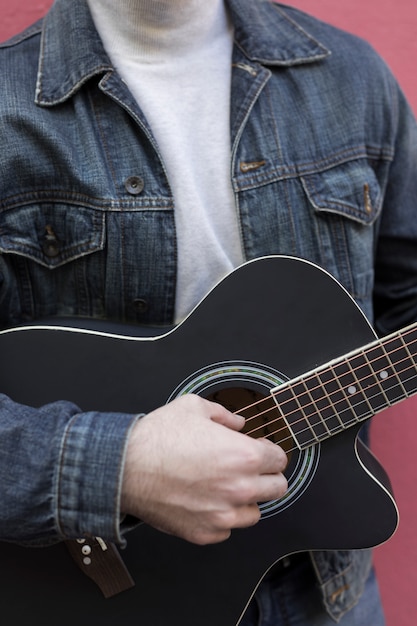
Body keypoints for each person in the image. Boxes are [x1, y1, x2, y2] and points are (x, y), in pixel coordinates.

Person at [0, 0, 416, 623]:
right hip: (107, 587)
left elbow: (405, 298)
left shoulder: (351, 78)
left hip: (324, 593)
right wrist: (117, 466)